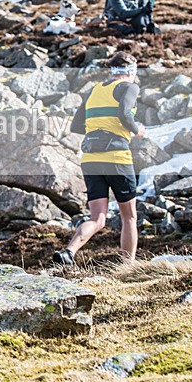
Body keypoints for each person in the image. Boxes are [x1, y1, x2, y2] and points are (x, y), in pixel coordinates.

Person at [53, 52, 145, 265]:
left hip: (91, 158)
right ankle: (127, 266)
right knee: (129, 216)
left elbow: (76, 125)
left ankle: (69, 252)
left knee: (97, 218)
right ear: (131, 70)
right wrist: (136, 129)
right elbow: (124, 113)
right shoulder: (130, 87)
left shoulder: (95, 90)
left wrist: (99, 127)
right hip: (116, 158)